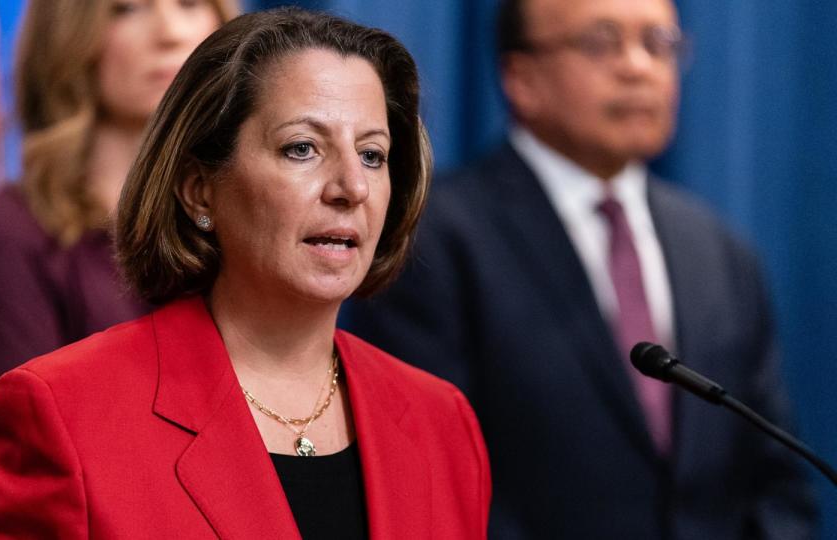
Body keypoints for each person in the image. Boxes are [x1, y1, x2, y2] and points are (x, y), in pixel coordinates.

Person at [0, 8, 491, 538]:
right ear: (199, 189)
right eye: (302, 149)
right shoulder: (61, 412)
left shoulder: (443, 423)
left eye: (373, 155)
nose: (352, 187)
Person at [346, 0, 818, 537]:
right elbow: (431, 472)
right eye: (602, 42)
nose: (638, 68)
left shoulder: (723, 254)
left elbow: (777, 484)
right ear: (521, 78)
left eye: (658, 44)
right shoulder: (433, 241)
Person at [0, 0, 237, 425]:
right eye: (127, 9)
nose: (170, 32)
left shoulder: (251, 218)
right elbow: (27, 445)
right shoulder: (6, 234)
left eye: (190, 3)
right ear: (68, 39)